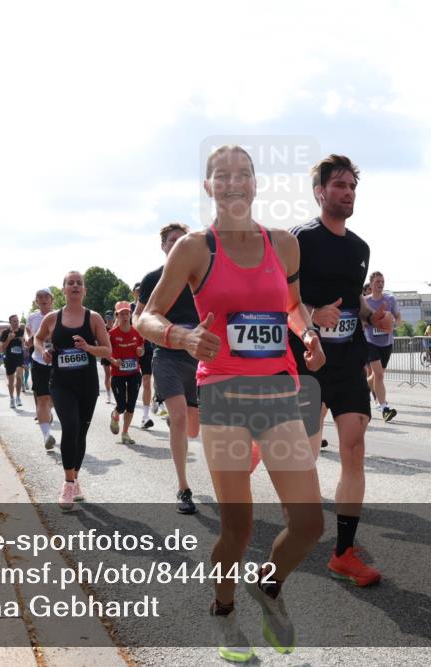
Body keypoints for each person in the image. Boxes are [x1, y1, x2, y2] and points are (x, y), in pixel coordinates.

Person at [137, 144, 326, 661]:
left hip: (278, 393)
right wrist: (180, 337)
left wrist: (306, 333)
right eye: (222, 175)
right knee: (238, 527)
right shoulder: (195, 249)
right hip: (221, 392)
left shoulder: (284, 245)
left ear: (256, 183)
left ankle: (268, 584)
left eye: (243, 173)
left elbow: (290, 306)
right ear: (209, 187)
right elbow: (145, 318)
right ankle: (223, 609)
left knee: (309, 523)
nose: (234, 182)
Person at [289, 154, 394, 587]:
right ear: (319, 192)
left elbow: (354, 301)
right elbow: (283, 299)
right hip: (306, 361)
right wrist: (314, 316)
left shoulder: (360, 248)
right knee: (306, 455)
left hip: (348, 362)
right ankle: (303, 521)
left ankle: (343, 550)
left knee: (353, 447)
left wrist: (372, 317)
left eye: (352, 186)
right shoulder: (300, 239)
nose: (347, 193)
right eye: (338, 185)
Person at [134, 222, 202, 515]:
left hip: (200, 358)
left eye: (182, 239)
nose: (177, 244)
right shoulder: (152, 279)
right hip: (167, 356)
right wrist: (159, 333)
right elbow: (139, 316)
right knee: (178, 418)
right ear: (163, 246)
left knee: (193, 428)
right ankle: (183, 487)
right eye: (172, 240)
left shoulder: (202, 275)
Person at [35, 271, 111, 510]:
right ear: (64, 290)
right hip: (61, 384)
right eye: (71, 283)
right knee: (70, 427)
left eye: (79, 283)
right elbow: (37, 339)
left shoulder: (94, 318)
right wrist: (43, 351)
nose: (76, 286)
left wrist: (88, 347)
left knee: (80, 435)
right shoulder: (52, 319)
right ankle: (68, 484)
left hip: (87, 385)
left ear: (84, 290)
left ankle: (75, 478)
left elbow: (107, 351)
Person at [363, 272, 401, 422]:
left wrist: (393, 321)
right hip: (370, 341)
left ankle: (359, 387)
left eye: (382, 281)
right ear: (371, 284)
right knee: (379, 375)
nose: (380, 284)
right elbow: (361, 321)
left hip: (387, 343)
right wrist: (370, 322)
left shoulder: (390, 299)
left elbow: (398, 317)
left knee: (376, 376)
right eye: (377, 281)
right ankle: (384, 408)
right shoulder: (365, 302)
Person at [107, 301, 144, 445]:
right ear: (117, 315)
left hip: (134, 372)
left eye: (127, 313)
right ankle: (115, 414)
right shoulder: (111, 334)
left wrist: (141, 351)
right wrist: (113, 361)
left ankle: (125, 433)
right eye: (121, 313)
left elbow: (141, 349)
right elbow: (105, 352)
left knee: (131, 405)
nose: (124, 316)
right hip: (118, 374)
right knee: (121, 405)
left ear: (130, 315)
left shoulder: (136, 332)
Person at [26, 288, 57, 450]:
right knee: (42, 398)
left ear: (52, 299)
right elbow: (27, 330)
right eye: (39, 297)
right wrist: (28, 339)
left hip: (57, 362)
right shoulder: (32, 316)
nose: (43, 299)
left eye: (46, 296)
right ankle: (46, 435)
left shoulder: (59, 315)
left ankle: (48, 414)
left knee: (52, 400)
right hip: (38, 361)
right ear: (36, 301)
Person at [131, 283, 156, 429]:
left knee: (147, 381)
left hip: (147, 349)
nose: (140, 293)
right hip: (129, 351)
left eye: (142, 290)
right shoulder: (127, 308)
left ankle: (145, 417)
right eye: (138, 291)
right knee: (131, 384)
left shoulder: (152, 308)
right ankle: (126, 408)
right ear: (133, 293)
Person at [0, 315, 26, 409]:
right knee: (11, 381)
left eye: (17, 321)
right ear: (10, 322)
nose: (16, 322)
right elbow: (2, 348)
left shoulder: (22, 332)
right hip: (9, 359)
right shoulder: (5, 332)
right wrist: (9, 339)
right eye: (14, 321)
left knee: (19, 378)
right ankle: (11, 398)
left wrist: (23, 341)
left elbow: (25, 345)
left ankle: (18, 397)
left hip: (19, 358)